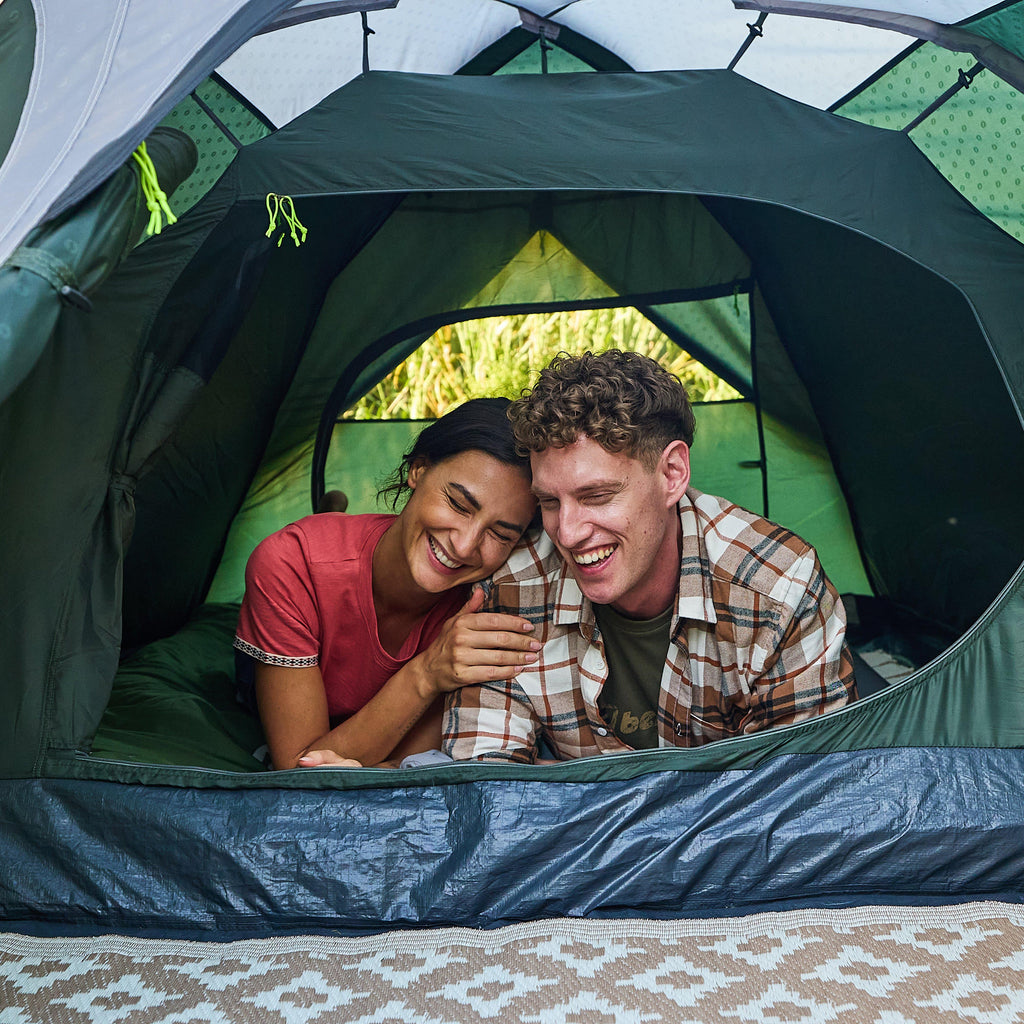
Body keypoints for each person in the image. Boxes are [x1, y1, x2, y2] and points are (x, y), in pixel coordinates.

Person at [443, 350, 857, 763]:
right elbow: (484, 781)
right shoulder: (513, 586)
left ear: (672, 474)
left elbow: (809, 784)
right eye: (549, 502)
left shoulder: (778, 591)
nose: (567, 533)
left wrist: (566, 787)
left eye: (597, 496)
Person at [234, 398, 540, 769]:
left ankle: (333, 510)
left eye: (500, 534)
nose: (464, 546)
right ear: (418, 469)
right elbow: (300, 770)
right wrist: (427, 672)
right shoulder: (290, 562)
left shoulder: (491, 599)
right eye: (459, 505)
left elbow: (415, 759)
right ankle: (329, 515)